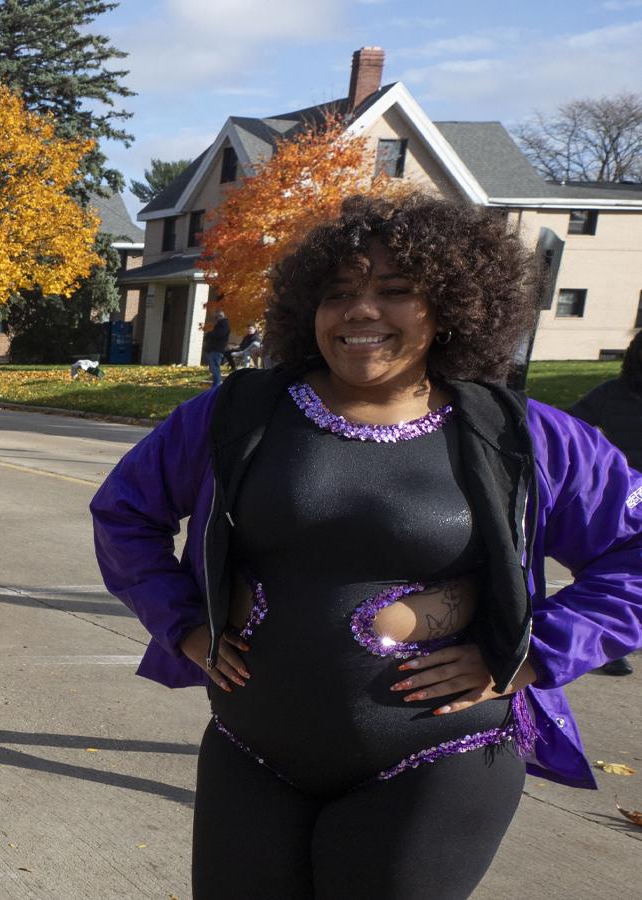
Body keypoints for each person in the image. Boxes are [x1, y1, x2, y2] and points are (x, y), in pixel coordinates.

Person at [91, 194, 642, 900]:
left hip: (438, 759)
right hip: (251, 754)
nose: (360, 312)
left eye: (396, 292)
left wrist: (536, 653)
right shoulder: (236, 415)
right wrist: (186, 626)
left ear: (451, 305)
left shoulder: (521, 435)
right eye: (338, 293)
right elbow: (124, 513)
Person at [568, 330, 642, 677]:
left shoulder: (611, 392)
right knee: (616, 572)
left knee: (609, 570)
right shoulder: (612, 394)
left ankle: (608, 642)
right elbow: (572, 427)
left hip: (614, 495)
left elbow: (570, 426)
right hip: (624, 495)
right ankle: (607, 643)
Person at [202, 308, 232, 386]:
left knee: (214, 368)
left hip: (217, 350)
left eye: (220, 316)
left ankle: (218, 384)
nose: (218, 317)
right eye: (217, 316)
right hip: (214, 349)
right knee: (214, 368)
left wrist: (209, 334)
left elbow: (219, 334)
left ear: (224, 316)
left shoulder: (224, 324)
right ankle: (215, 386)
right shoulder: (220, 324)